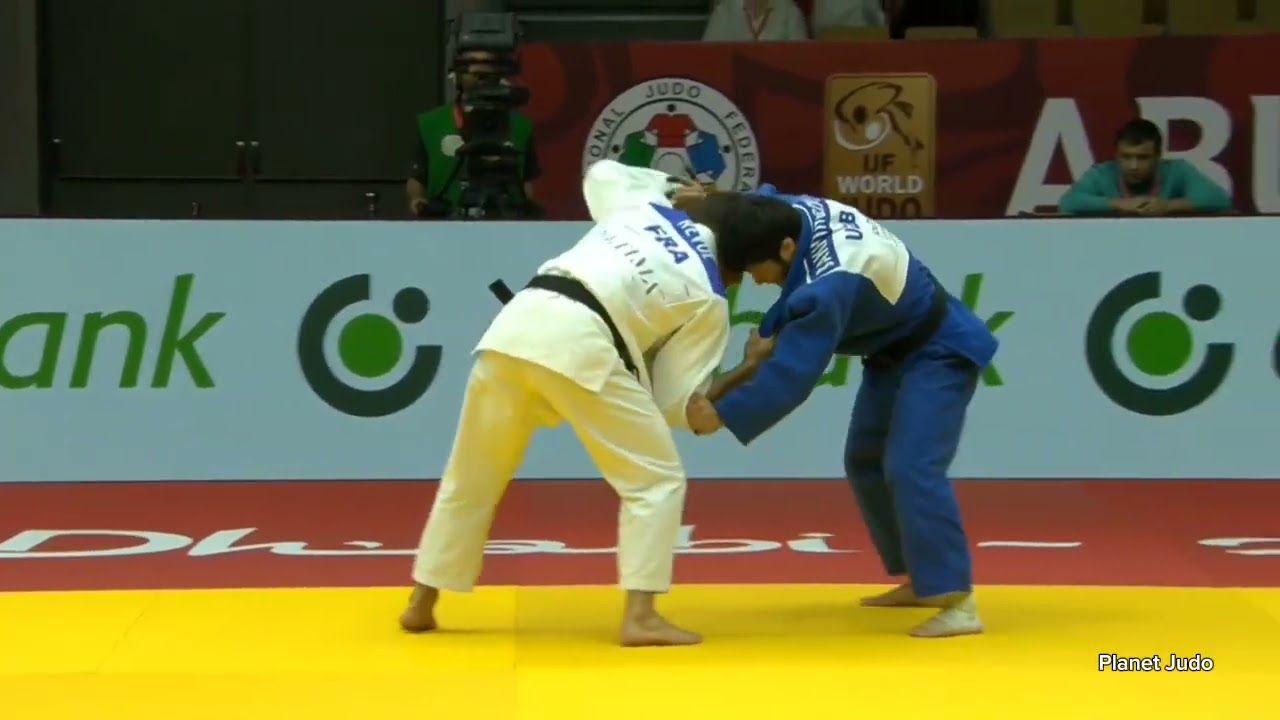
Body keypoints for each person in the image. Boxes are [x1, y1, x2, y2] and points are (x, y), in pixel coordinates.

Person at [400, 160, 795, 646]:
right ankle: (641, 617)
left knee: (472, 475)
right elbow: (677, 408)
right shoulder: (709, 297)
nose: (744, 284)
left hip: (514, 326)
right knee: (656, 479)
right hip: (581, 341)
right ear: (739, 262)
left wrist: (673, 186)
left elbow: (602, 172)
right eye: (749, 275)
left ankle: (421, 602)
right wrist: (750, 368)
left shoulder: (648, 209)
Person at [683, 185, 994, 638]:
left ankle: (958, 599)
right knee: (866, 460)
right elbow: (760, 196)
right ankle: (923, 579)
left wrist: (724, 414)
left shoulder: (828, 287)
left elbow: (792, 376)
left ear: (786, 249)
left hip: (941, 350)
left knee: (912, 466)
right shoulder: (789, 212)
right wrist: (714, 197)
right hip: (893, 349)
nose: (757, 282)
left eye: (756, 270)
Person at [406, 50, 541, 218]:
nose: (480, 71)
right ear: (458, 73)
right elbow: (418, 176)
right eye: (472, 63)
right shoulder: (430, 123)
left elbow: (527, 180)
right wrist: (417, 199)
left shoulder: (522, 127)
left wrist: (527, 210)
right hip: (444, 221)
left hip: (505, 221)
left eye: (487, 64)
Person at [1058, 119, 1232, 216]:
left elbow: (1220, 199)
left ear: (1157, 157)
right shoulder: (1101, 174)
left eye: (1143, 158)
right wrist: (1120, 204)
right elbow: (1068, 202)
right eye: (1126, 157)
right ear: (1116, 155)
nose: (1133, 166)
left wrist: (1168, 206)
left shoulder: (1178, 170)